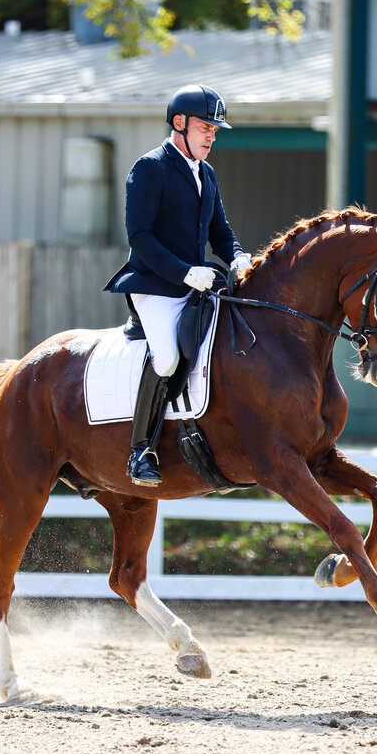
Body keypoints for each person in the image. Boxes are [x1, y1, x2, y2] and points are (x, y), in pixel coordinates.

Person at [103, 84, 252, 487]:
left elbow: (220, 231)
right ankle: (140, 451)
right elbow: (141, 237)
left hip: (198, 282)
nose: (212, 136)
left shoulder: (206, 173)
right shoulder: (150, 167)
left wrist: (237, 255)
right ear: (179, 123)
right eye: (206, 127)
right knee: (167, 358)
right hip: (154, 283)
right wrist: (186, 272)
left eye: (215, 130)